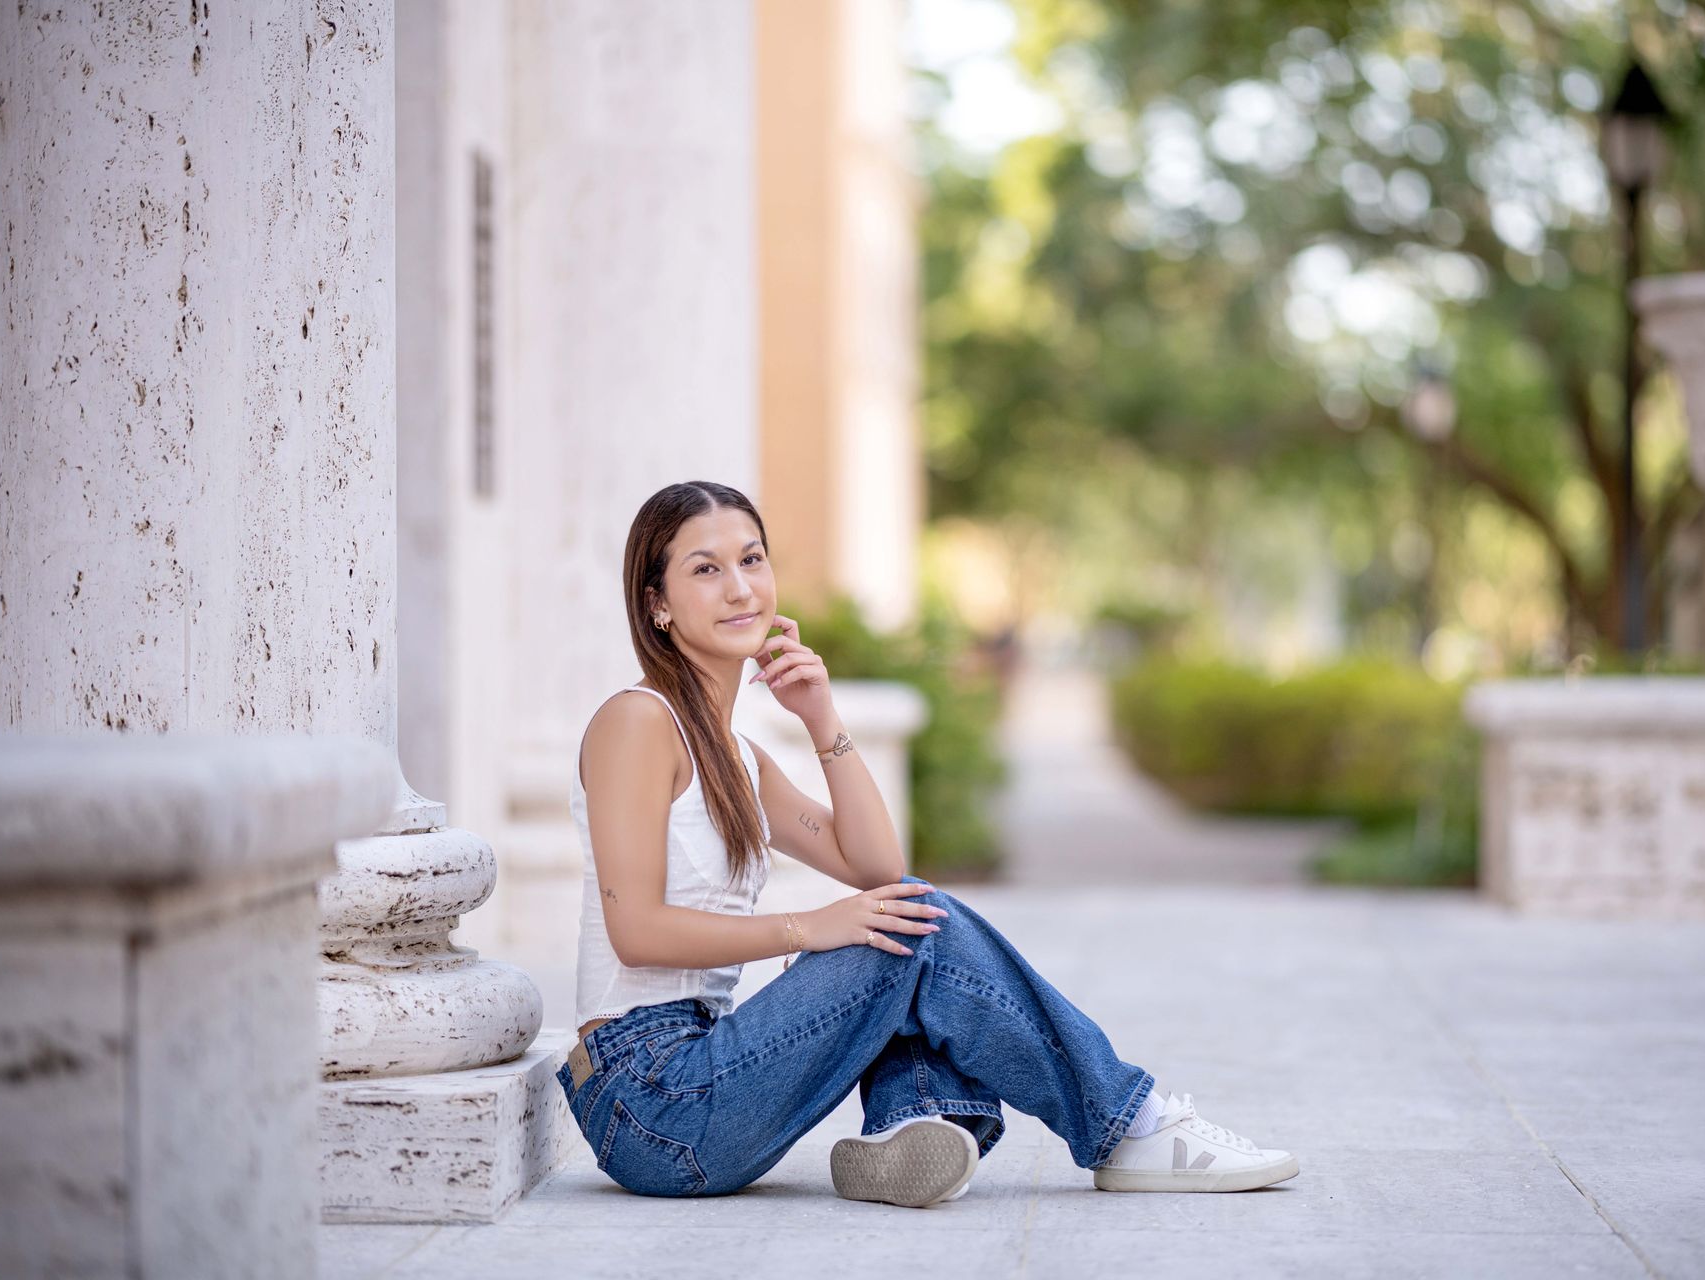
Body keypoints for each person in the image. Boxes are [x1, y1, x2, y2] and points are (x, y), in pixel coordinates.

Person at [557, 480, 1299, 1206]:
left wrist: (821, 718)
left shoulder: (736, 755)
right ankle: (1129, 1125)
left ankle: (911, 1123)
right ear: (656, 603)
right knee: (912, 927)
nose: (740, 588)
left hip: (699, 1077)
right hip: (649, 1098)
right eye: (706, 569)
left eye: (752, 560)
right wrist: (807, 928)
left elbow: (875, 865)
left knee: (900, 915)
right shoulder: (637, 723)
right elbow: (637, 932)